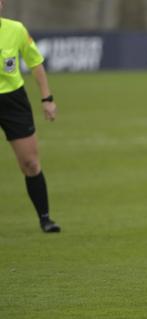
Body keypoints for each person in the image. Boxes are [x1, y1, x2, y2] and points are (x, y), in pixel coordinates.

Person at [0, 0, 60, 232]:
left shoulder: (16, 30)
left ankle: (45, 219)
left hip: (13, 101)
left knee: (30, 163)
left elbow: (35, 63)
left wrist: (47, 99)